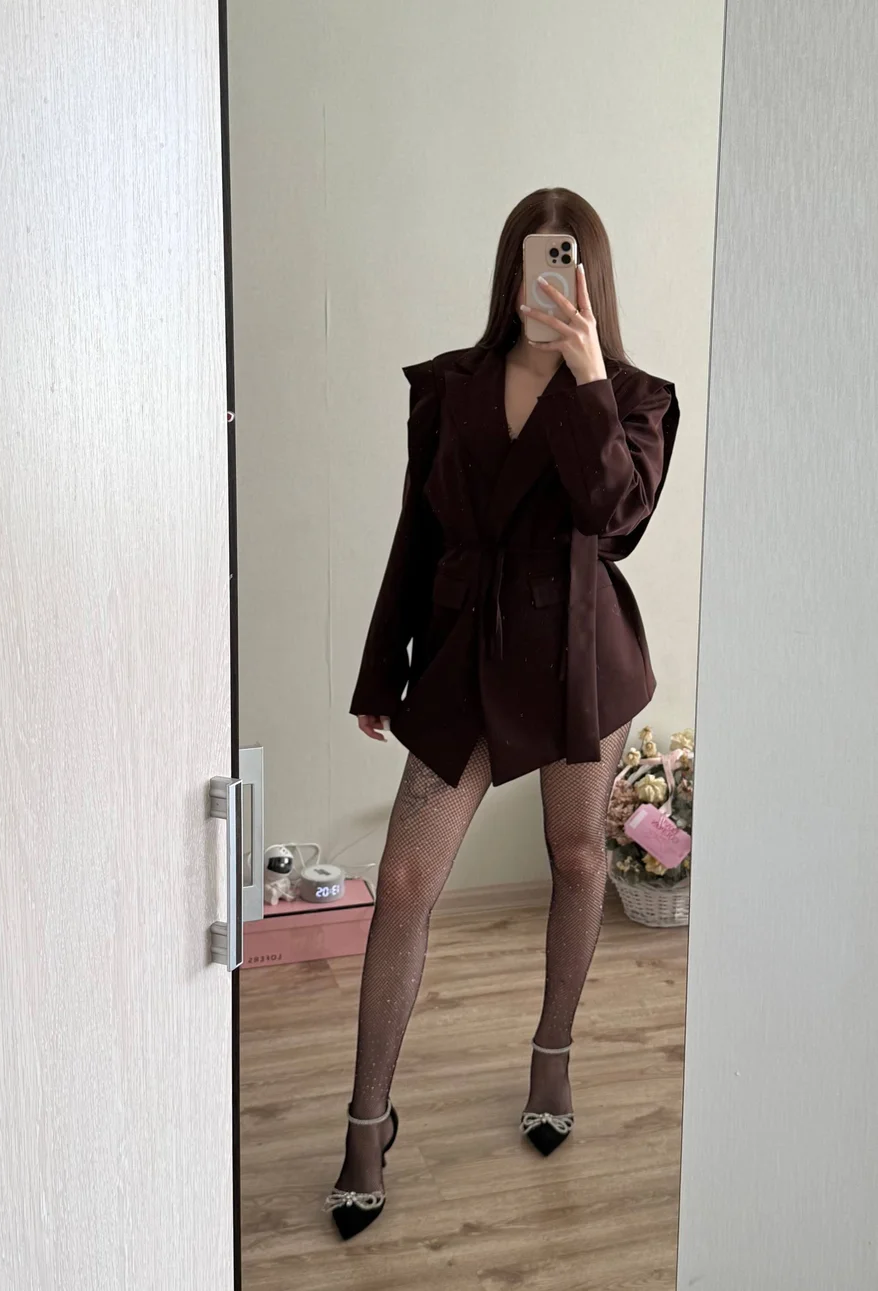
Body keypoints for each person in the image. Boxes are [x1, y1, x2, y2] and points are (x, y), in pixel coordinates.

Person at [324, 187, 679, 1239]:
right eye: (533, 259)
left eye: (566, 261)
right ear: (510, 269)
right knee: (403, 880)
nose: (547, 278)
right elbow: (416, 532)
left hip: (579, 657)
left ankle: (551, 1056)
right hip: (463, 653)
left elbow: (616, 518)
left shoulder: (634, 396)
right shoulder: (449, 386)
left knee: (577, 856)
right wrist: (380, 670)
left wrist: (585, 376)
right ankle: (365, 1120)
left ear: (590, 275)